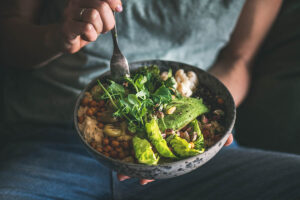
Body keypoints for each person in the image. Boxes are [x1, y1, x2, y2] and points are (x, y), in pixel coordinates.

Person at [0, 0, 299, 199]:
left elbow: (239, 60)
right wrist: (59, 36)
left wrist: (209, 130)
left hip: (195, 159)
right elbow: (10, 39)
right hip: (52, 141)